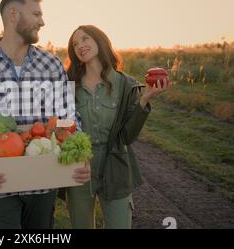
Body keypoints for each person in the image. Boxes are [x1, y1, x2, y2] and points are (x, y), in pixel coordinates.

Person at [0, 0, 91, 229]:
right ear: (13, 14)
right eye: (36, 13)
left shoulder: (52, 64)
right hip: (0, 183)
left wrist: (77, 150)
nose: (42, 21)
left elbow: (68, 117)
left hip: (43, 180)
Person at [65, 25, 170, 229]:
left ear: (99, 41)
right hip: (79, 168)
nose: (80, 45)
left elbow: (127, 137)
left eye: (85, 39)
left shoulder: (126, 84)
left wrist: (144, 100)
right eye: (75, 43)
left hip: (116, 165)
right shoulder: (69, 84)